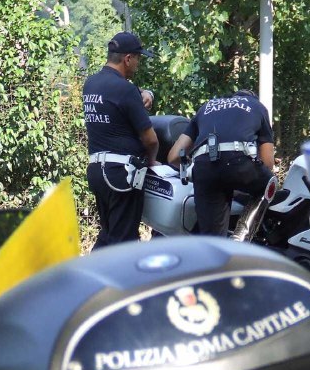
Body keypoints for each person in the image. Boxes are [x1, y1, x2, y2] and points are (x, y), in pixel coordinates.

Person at [84, 32, 160, 249]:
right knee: (123, 241)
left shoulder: (92, 84)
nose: (138, 63)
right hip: (122, 174)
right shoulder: (125, 90)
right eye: (138, 58)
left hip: (98, 171)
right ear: (128, 58)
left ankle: (89, 279)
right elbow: (151, 139)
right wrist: (152, 160)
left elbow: (125, 95)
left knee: (109, 235)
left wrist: (147, 93)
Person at [167, 89, 275, 236]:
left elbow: (173, 156)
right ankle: (240, 236)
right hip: (238, 163)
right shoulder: (257, 107)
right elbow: (268, 163)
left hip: (204, 167)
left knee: (213, 236)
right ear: (252, 98)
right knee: (270, 184)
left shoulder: (206, 107)